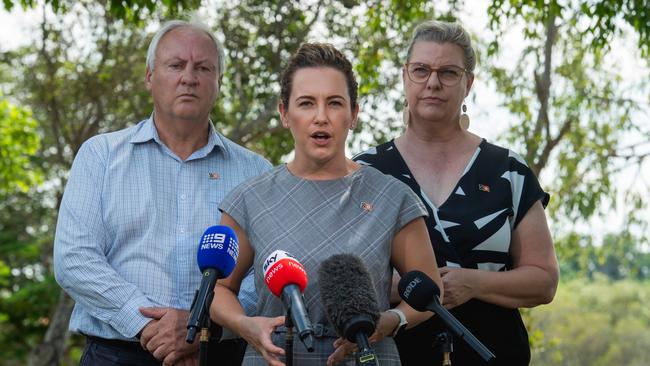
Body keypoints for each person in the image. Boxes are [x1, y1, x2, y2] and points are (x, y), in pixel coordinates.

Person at [53, 20, 271, 366]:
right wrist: (148, 325)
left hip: (218, 353)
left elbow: (265, 272)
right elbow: (74, 259)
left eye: (203, 67)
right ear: (149, 77)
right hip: (116, 354)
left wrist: (206, 325)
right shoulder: (101, 155)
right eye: (175, 65)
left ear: (219, 83)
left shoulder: (256, 172)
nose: (189, 77)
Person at [209, 43, 442, 366]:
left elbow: (430, 294)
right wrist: (245, 326)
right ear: (284, 113)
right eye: (306, 103)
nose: (321, 117)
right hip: (275, 357)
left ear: (353, 114)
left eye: (334, 103)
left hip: (367, 355)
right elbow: (218, 288)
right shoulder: (250, 198)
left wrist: (389, 321)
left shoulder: (393, 197)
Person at [353, 20, 560, 365]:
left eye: (448, 72)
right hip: (392, 354)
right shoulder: (366, 172)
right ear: (405, 77)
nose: (433, 82)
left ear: (468, 83)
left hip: (495, 353)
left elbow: (544, 281)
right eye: (421, 70)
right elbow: (342, 272)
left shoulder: (508, 170)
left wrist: (473, 283)